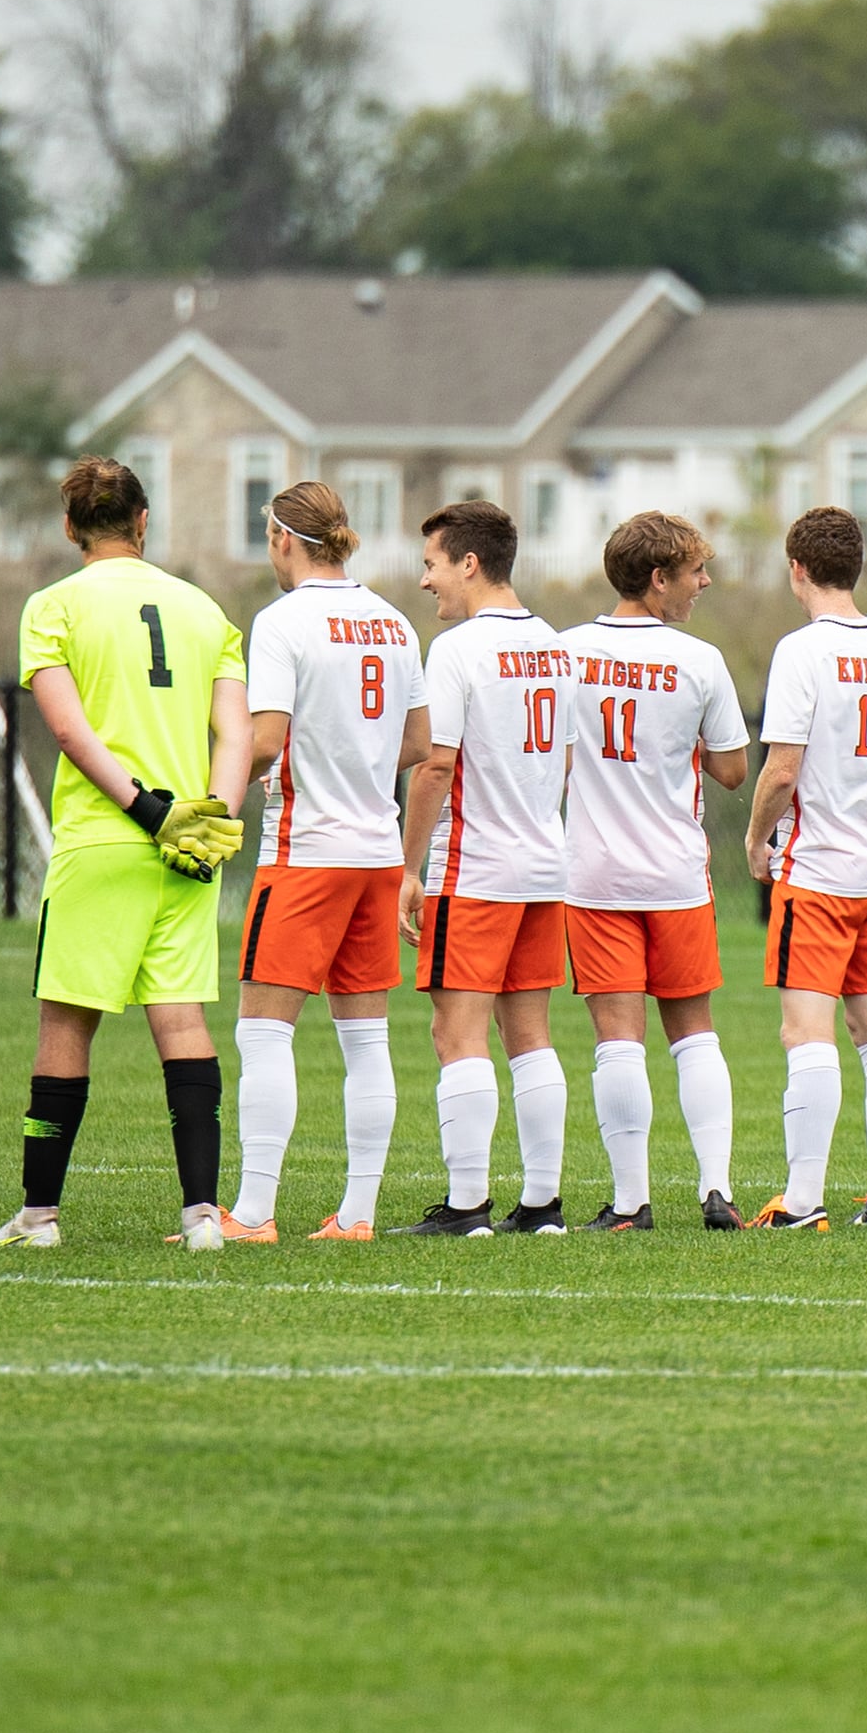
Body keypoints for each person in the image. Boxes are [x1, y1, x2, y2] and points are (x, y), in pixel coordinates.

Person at [0, 457, 250, 1252]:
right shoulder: (202, 608)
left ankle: (39, 1217)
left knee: (66, 1024)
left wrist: (146, 810)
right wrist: (211, 821)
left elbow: (68, 730)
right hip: (187, 851)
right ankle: (202, 1218)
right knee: (182, 1020)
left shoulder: (54, 604)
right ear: (143, 520)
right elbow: (235, 733)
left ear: (69, 526)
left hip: (106, 839)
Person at [224, 481, 422, 1243]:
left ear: (281, 538)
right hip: (375, 850)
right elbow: (417, 743)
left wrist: (205, 802)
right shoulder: (394, 621)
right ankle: (358, 1212)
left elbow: (266, 739)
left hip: (306, 852)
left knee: (264, 1031)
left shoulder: (280, 622)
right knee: (365, 1037)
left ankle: (252, 1212)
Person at [565, 510, 751, 1232]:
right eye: (694, 571)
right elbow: (734, 771)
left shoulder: (566, 651)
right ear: (657, 578)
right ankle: (716, 1188)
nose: (703, 582)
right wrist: (679, 742)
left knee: (617, 1037)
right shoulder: (698, 660)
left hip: (593, 873)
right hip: (675, 874)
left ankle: (630, 1202)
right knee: (694, 1034)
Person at [741, 506, 867, 1231]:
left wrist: (756, 840)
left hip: (818, 870)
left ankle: (803, 1199)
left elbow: (781, 768)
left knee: (804, 1033)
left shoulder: (801, 651)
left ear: (796, 569)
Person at [397, 500, 576, 1237]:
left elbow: (437, 765)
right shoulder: (557, 645)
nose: (423, 579)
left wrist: (409, 868)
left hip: (475, 869)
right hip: (542, 863)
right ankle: (541, 1204)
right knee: (529, 1032)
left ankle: (466, 1203)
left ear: (469, 563)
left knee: (457, 1033)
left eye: (432, 563)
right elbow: (562, 757)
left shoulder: (460, 649)